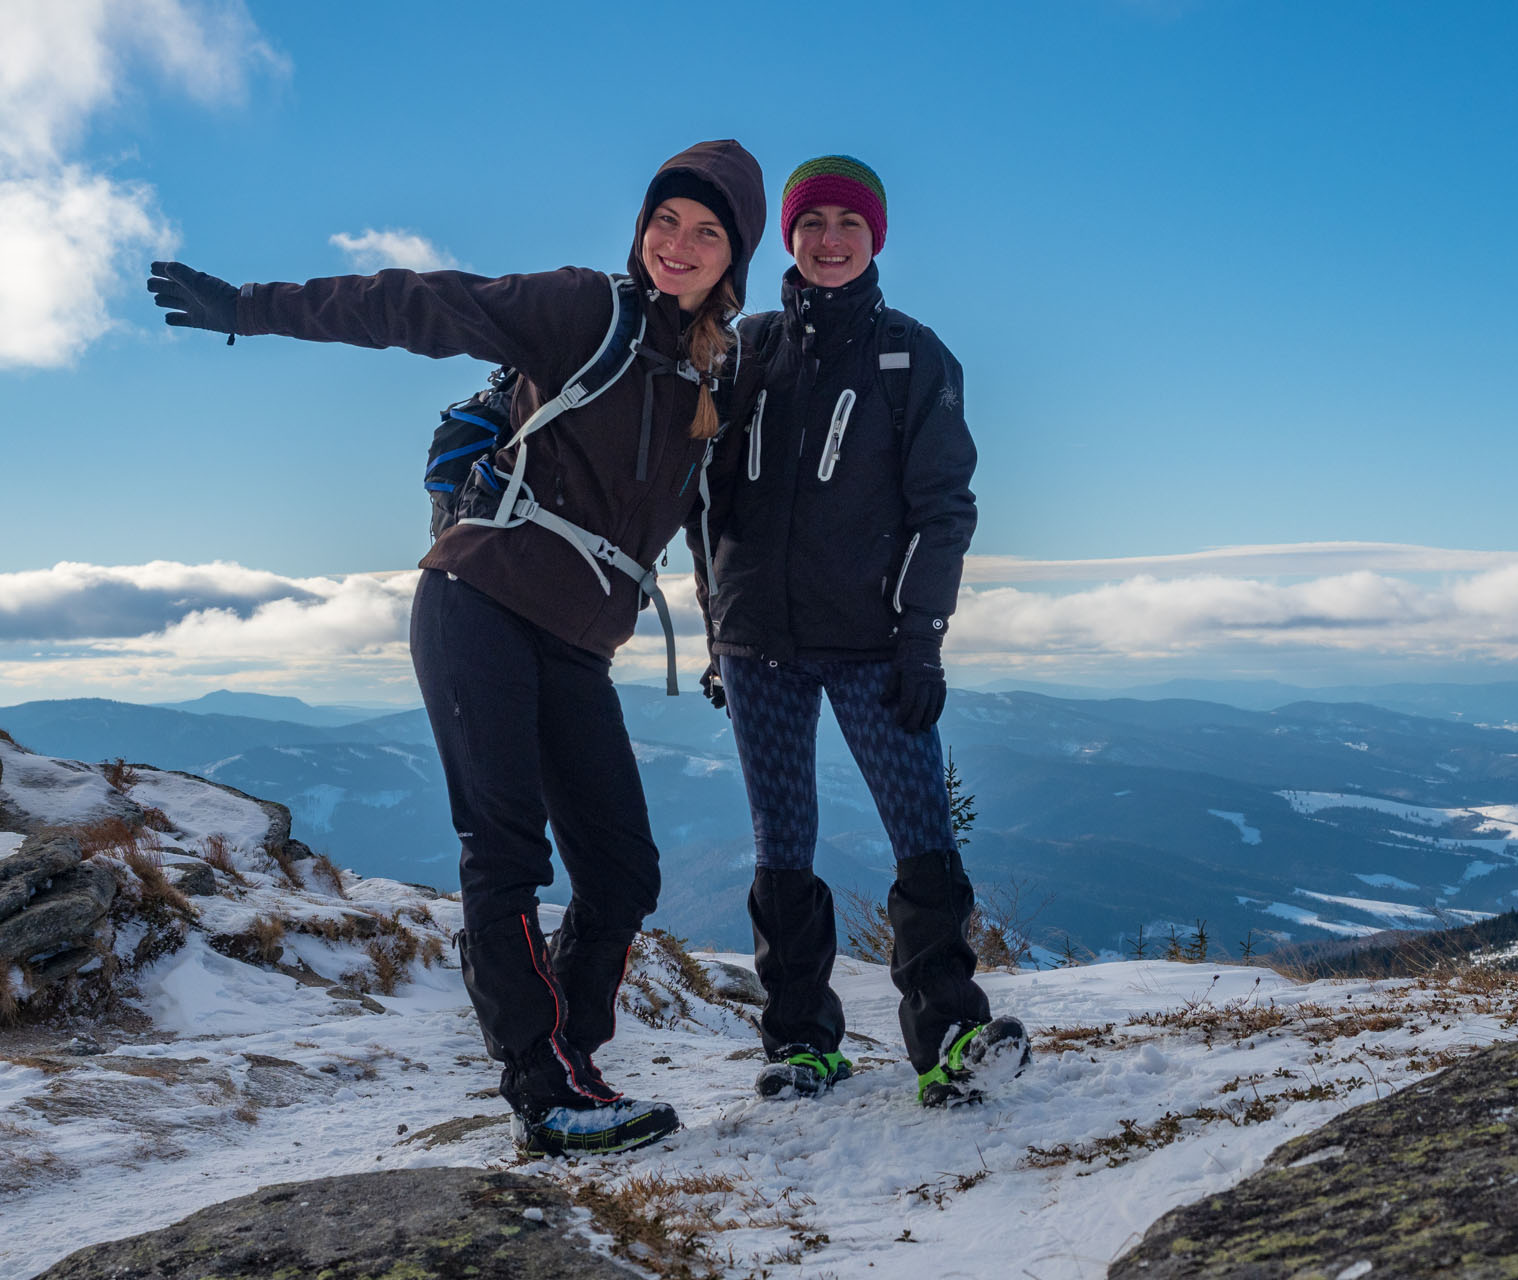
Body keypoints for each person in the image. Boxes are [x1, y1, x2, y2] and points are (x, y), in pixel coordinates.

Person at [149, 140, 767, 1154]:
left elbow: (704, 520)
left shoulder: (711, 377)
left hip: (576, 644)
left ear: (731, 258)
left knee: (623, 873)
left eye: (706, 232)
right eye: (666, 220)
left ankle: (571, 1056)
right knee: (508, 848)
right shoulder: (583, 309)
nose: (678, 244)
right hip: (476, 598)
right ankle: (544, 1081)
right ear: (643, 227)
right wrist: (250, 307)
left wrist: (723, 639)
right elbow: (414, 302)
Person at [691, 155, 1029, 1107]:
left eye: (848, 222)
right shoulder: (740, 350)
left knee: (922, 837)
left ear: (875, 237)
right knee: (780, 844)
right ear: (788, 238)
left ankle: (951, 1036)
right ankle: (802, 1044)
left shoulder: (915, 357)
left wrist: (921, 636)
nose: (828, 238)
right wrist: (719, 624)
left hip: (875, 648)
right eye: (811, 223)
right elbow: (698, 498)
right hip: (758, 647)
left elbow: (943, 508)